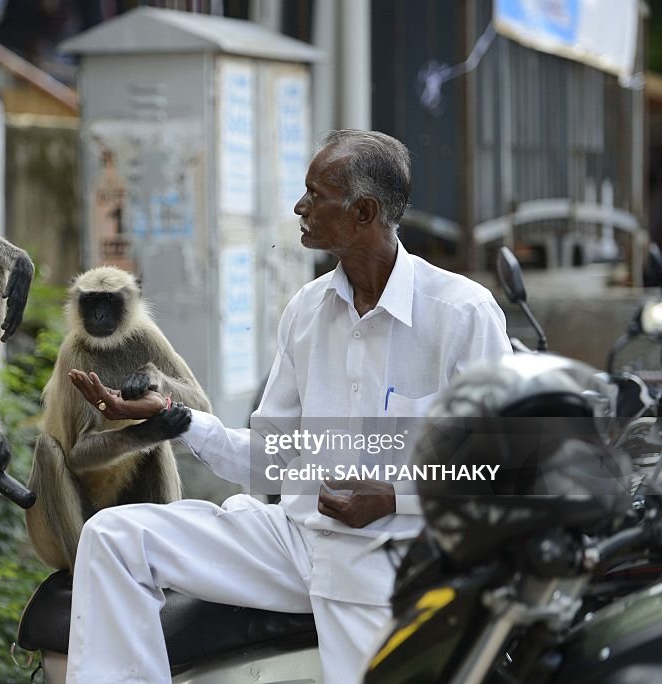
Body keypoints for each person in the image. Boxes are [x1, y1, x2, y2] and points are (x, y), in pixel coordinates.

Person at [65, 129, 513, 683]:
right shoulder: (307, 309)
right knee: (114, 537)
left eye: (315, 194)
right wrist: (173, 418)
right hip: (294, 539)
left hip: (391, 555)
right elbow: (270, 459)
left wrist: (394, 498)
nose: (299, 208)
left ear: (364, 211)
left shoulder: (462, 313)